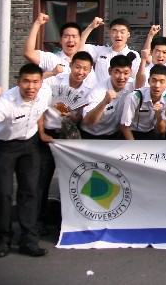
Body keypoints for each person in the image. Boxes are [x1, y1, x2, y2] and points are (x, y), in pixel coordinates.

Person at [0, 63, 52, 258]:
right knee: (3, 192)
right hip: (5, 147)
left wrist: (41, 132)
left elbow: (40, 112)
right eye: (26, 81)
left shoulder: (45, 93)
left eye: (35, 82)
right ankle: (3, 239)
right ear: (18, 82)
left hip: (30, 145)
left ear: (41, 83)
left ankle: (29, 240)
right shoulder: (6, 102)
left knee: (30, 191)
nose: (31, 87)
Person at [36, 51, 95, 234]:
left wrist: (73, 116)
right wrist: (41, 133)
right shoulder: (54, 82)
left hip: (69, 137)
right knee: (42, 179)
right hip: (48, 135)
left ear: (90, 70)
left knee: (71, 180)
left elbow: (81, 117)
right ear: (71, 66)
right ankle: (37, 221)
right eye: (77, 67)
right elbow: (39, 108)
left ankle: (67, 221)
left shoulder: (89, 91)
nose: (80, 72)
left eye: (85, 69)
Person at [22, 13, 92, 83]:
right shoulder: (52, 59)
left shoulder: (86, 65)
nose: (70, 40)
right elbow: (28, 53)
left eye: (74, 36)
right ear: (60, 40)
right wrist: (37, 23)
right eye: (66, 36)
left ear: (80, 40)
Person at [81, 54, 136, 139]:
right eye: (117, 72)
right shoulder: (98, 91)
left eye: (125, 73)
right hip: (91, 135)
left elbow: (142, 85)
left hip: (114, 134)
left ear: (130, 72)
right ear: (110, 71)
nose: (121, 77)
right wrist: (104, 102)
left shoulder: (131, 84)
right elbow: (87, 121)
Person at [120, 64, 166, 140]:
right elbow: (125, 126)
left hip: (152, 132)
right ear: (148, 81)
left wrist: (158, 115)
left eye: (162, 82)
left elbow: (161, 130)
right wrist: (133, 146)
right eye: (154, 80)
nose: (157, 85)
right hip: (133, 132)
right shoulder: (135, 97)